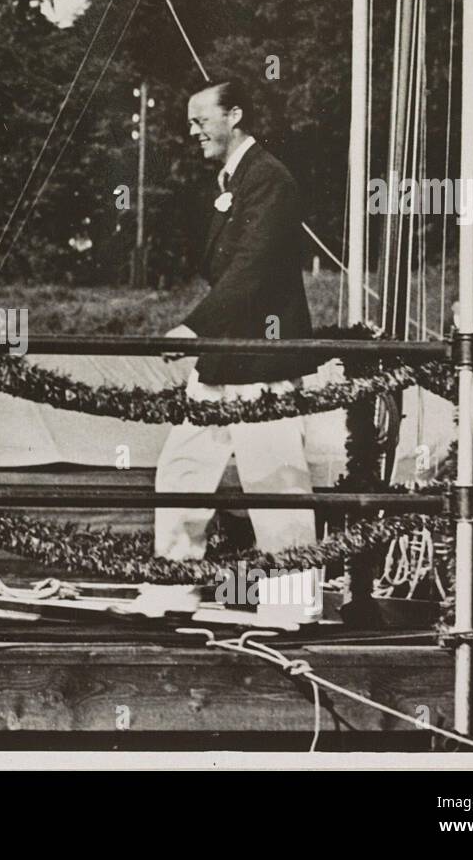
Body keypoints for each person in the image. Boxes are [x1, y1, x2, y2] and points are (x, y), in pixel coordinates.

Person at [137, 76, 321, 621]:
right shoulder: (230, 181)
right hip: (224, 358)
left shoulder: (269, 179)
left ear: (234, 115)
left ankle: (292, 602)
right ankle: (173, 585)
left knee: (275, 479)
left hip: (261, 354)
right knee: (182, 470)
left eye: (201, 120)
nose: (193, 131)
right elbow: (222, 266)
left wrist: (195, 328)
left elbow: (252, 268)